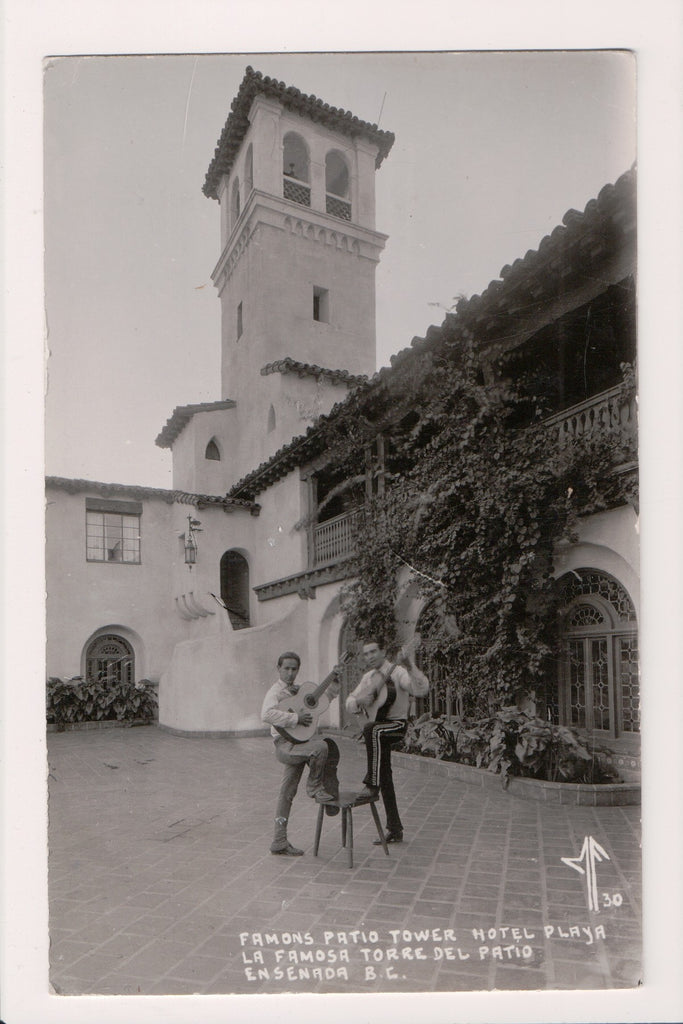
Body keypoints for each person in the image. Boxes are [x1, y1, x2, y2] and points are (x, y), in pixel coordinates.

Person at [346, 637, 428, 845]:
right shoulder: (368, 677)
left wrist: (410, 664)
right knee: (386, 776)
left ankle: (371, 785)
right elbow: (349, 702)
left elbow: (421, 689)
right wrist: (358, 701)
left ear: (383, 652)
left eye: (373, 652)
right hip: (377, 728)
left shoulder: (398, 672)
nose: (369, 657)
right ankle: (395, 829)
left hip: (396, 726)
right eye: (366, 654)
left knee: (370, 729)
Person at [261, 651, 341, 856]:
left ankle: (279, 840)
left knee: (287, 792)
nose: (290, 673)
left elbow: (322, 701)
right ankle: (317, 786)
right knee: (322, 748)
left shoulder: (297, 690)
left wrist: (334, 683)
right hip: (285, 745)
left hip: (298, 743)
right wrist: (295, 719)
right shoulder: (275, 692)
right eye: (286, 668)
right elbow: (266, 714)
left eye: (294, 669)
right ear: (278, 669)